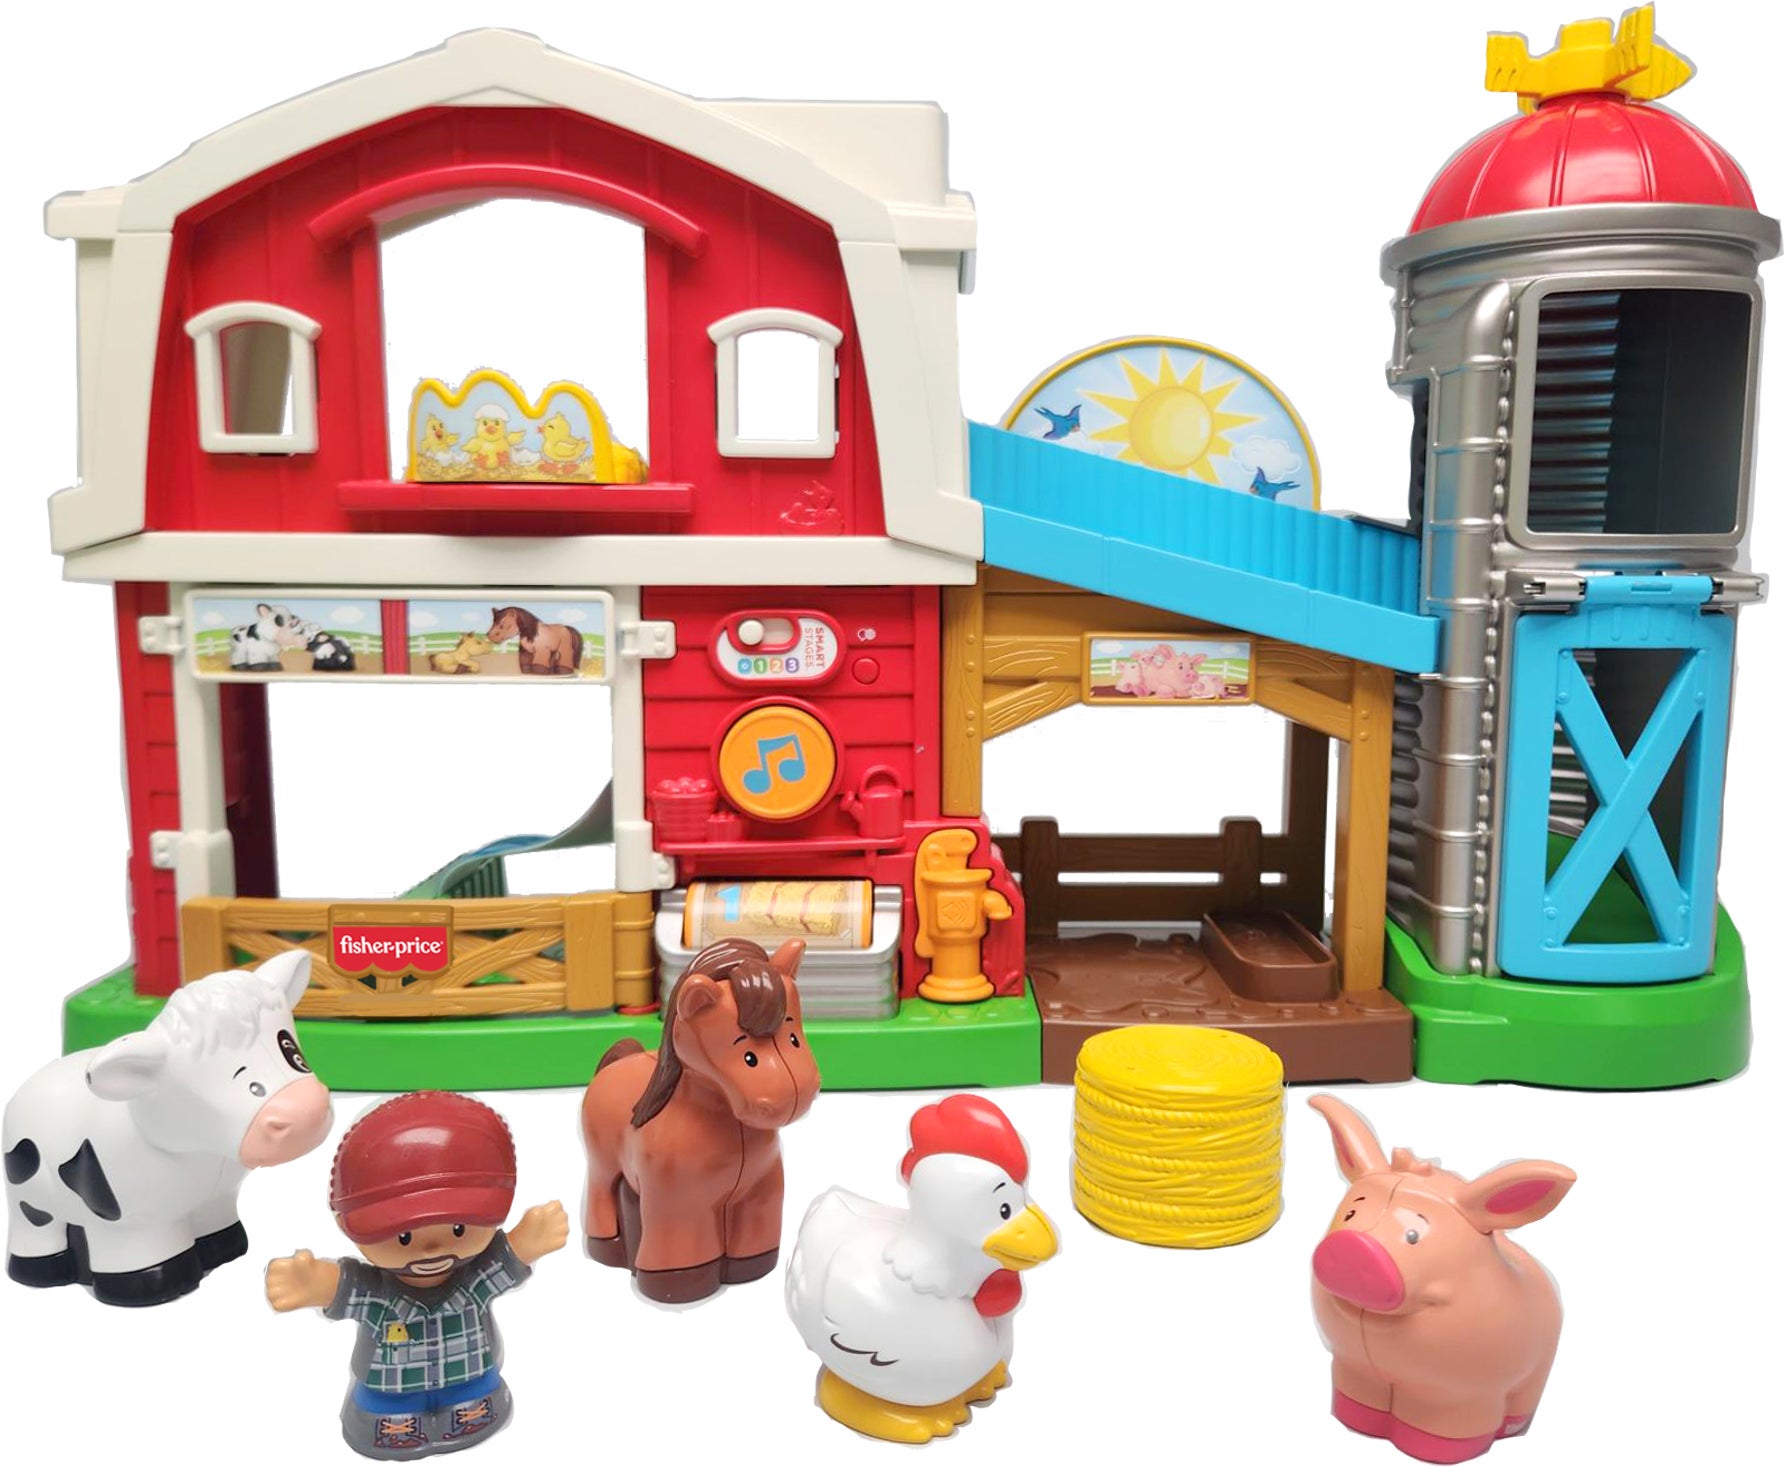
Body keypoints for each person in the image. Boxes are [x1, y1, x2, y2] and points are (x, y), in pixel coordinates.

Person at [266, 1091, 568, 1458]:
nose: (432, 1250)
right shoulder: (377, 1292)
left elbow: (502, 1264)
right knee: (385, 1406)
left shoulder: (473, 1280)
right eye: (404, 1237)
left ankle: (464, 1405)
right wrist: (313, 1284)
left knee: (473, 1393)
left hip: (470, 1375)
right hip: (390, 1388)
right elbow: (345, 1288)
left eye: (458, 1229)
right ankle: (394, 1416)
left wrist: (527, 1242)